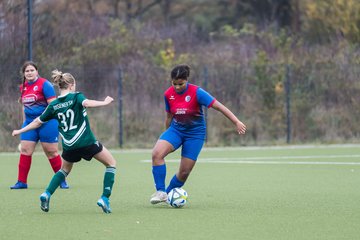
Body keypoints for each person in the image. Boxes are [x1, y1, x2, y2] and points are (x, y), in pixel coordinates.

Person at [12, 69, 117, 214]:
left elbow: (37, 122)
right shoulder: (76, 97)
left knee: (64, 170)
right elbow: (87, 103)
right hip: (86, 141)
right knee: (111, 163)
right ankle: (105, 198)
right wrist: (105, 102)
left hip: (69, 146)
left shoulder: (53, 105)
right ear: (72, 85)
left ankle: (47, 193)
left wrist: (20, 131)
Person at [150, 64, 246, 204]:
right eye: (174, 84)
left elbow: (219, 107)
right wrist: (166, 136)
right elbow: (169, 117)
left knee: (184, 173)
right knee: (156, 154)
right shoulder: (168, 94)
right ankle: (160, 192)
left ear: (186, 80)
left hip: (195, 135)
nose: (177, 87)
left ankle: (168, 194)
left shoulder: (197, 92)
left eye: (180, 84)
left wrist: (236, 121)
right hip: (176, 130)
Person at [11, 61, 69, 189]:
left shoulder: (45, 84)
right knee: (25, 150)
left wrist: (43, 119)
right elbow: (24, 106)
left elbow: (53, 105)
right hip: (30, 123)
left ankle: (61, 181)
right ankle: (21, 182)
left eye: (32, 70)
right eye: (27, 71)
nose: (29, 73)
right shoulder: (23, 87)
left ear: (37, 71)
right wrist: (25, 123)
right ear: (24, 74)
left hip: (47, 122)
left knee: (51, 152)